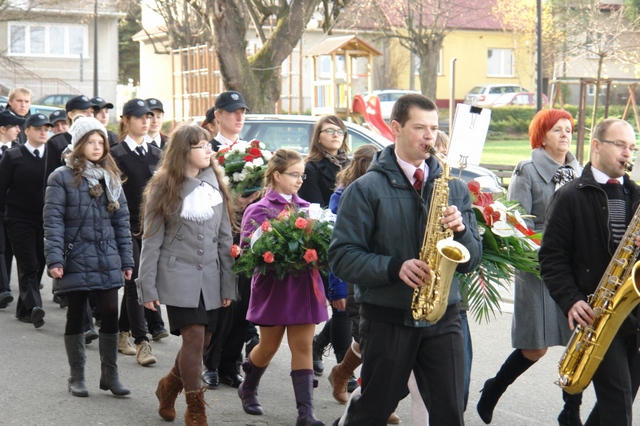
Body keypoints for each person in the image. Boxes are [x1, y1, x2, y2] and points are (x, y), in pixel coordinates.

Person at [328, 93, 482, 425]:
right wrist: (395, 267)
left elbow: (472, 260)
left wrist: (461, 232)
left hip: (443, 316)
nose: (429, 137)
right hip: (388, 317)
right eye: (419, 128)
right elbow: (342, 257)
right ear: (395, 128)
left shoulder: (454, 188)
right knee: (373, 411)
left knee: (450, 412)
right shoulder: (365, 189)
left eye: (434, 128)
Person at [476, 109, 583, 425]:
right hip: (537, 266)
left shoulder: (580, 172)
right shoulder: (528, 170)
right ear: (542, 136)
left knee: (579, 342)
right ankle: (494, 389)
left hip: (575, 269)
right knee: (535, 348)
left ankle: (571, 411)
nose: (564, 135)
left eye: (568, 129)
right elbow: (516, 222)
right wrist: (544, 251)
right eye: (557, 129)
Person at [540, 118, 640, 426]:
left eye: (632, 147)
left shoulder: (636, 195)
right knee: (618, 408)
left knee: (619, 402)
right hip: (598, 317)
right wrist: (571, 300)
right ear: (596, 145)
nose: (628, 153)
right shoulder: (570, 196)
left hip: (634, 313)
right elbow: (551, 258)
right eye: (620, 145)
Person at [137, 124, 237, 425]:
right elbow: (151, 239)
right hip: (177, 275)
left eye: (208, 145)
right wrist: (147, 287)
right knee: (193, 338)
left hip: (211, 277)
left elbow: (225, 239)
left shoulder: (215, 184)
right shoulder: (163, 186)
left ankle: (168, 387)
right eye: (201, 146)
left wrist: (228, 284)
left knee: (204, 341)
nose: (209, 150)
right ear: (184, 151)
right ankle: (196, 409)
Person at [43, 117, 134, 398]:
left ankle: (110, 374)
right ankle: (77, 375)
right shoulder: (61, 177)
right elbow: (53, 221)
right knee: (77, 313)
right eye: (91, 142)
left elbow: (122, 222)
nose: (97, 147)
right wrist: (55, 259)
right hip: (76, 256)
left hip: (106, 255)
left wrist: (127, 260)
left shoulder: (111, 177)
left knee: (110, 312)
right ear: (78, 144)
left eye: (101, 142)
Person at [237, 148, 328, 426]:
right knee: (268, 346)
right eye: (294, 174)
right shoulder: (259, 209)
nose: (299, 180)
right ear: (277, 175)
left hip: (304, 285)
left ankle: (306, 413)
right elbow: (246, 252)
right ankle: (248, 387)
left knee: (303, 345)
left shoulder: (308, 208)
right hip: (273, 286)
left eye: (302, 175)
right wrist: (272, 246)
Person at [201, 90, 260, 390]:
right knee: (222, 301)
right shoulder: (206, 149)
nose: (239, 117)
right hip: (216, 233)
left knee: (244, 300)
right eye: (233, 111)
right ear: (218, 115)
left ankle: (231, 363)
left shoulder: (252, 151)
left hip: (247, 233)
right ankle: (210, 363)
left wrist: (256, 197)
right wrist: (230, 203)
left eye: (243, 112)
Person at [299, 116, 354, 391]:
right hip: (326, 240)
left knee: (344, 308)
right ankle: (346, 370)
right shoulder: (311, 167)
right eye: (328, 130)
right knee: (341, 307)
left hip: (352, 239)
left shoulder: (351, 163)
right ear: (318, 136)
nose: (335, 134)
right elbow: (316, 209)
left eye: (339, 130)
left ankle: (320, 344)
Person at [111, 98, 167, 366]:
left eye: (149, 116)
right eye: (140, 117)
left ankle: (122, 331)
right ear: (126, 120)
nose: (146, 121)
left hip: (152, 227)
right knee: (136, 280)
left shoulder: (157, 154)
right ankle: (142, 341)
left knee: (142, 280)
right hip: (125, 226)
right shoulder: (115, 154)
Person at [0, 113, 54, 328]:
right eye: (38, 128)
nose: (43, 132)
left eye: (46, 129)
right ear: (27, 130)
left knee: (40, 262)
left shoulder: (53, 156)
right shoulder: (13, 156)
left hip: (45, 220)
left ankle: (23, 310)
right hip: (18, 219)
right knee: (29, 263)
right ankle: (34, 307)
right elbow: (1, 188)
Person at [0, 110, 24, 309]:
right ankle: (3, 289)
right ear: (2, 129)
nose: (18, 130)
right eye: (15, 126)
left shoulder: (18, 151)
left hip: (13, 210)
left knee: (10, 249)